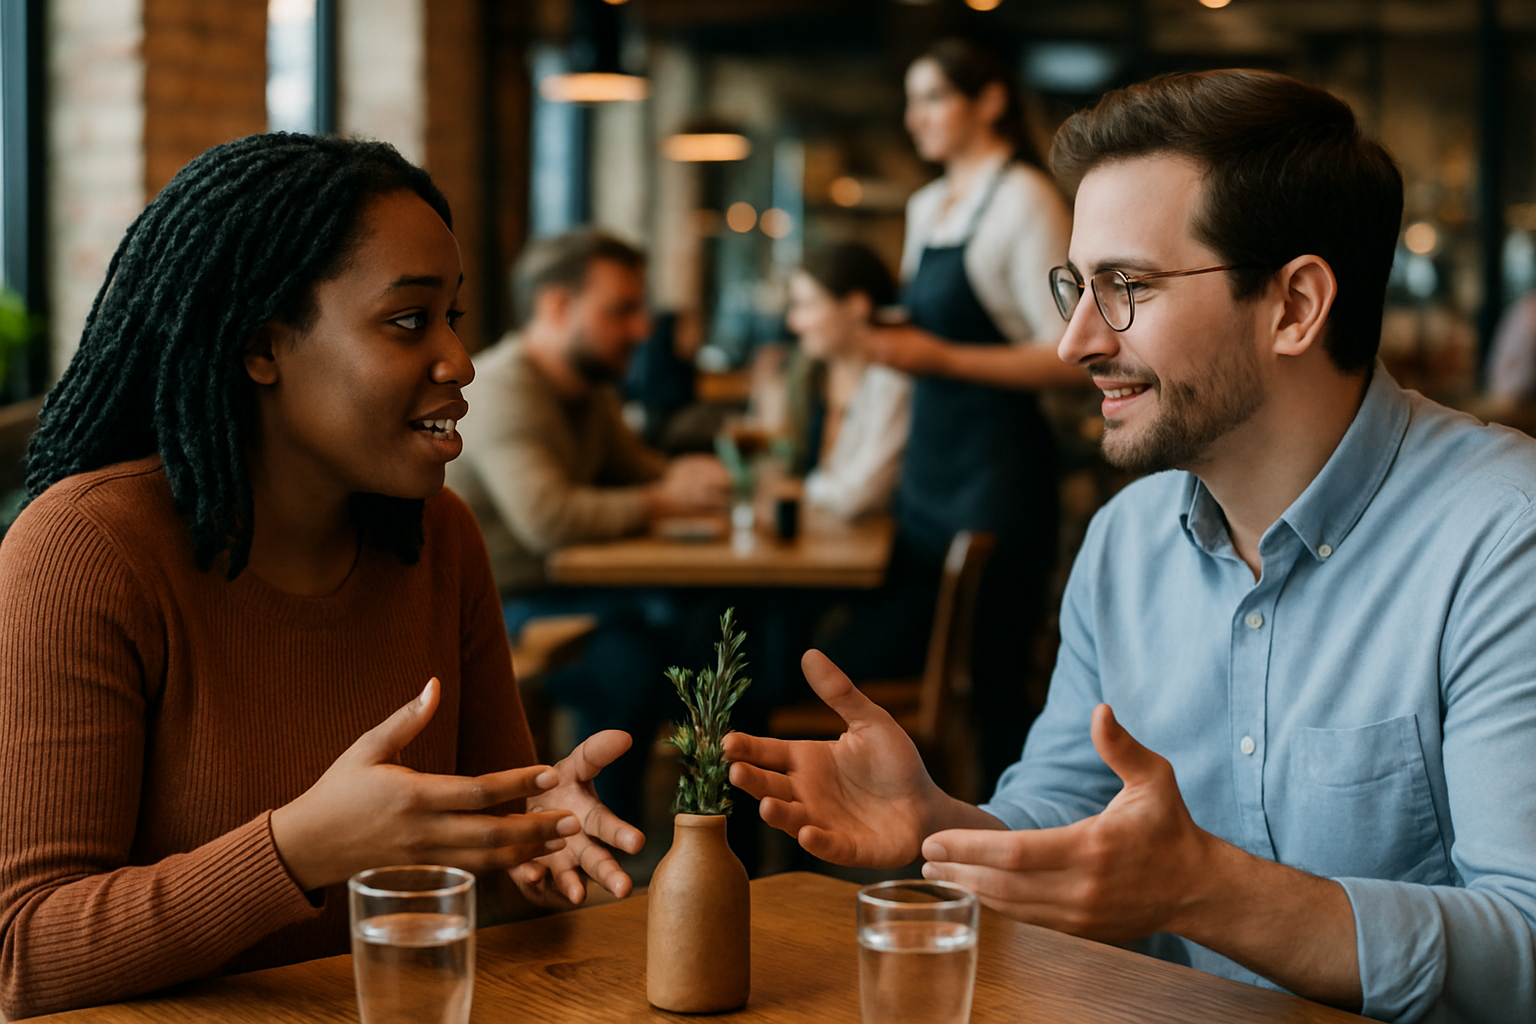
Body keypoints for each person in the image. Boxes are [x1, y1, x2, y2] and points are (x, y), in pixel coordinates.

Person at [725, 69, 1536, 1023]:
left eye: (1127, 287)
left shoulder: (1503, 535)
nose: (1073, 342)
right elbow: (1063, 814)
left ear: (1294, 306)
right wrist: (941, 820)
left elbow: (1525, 944)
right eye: (1077, 287)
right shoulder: (1125, 541)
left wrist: (1204, 893)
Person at [0, 135, 643, 1020]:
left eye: (453, 316)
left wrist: (529, 857)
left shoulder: (438, 539)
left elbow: (475, 901)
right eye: (409, 320)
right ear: (263, 345)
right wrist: (297, 849)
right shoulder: (85, 550)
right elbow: (22, 955)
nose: (460, 361)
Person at [825, 39, 1082, 792]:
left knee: (995, 682)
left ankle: (1011, 839)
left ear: (990, 102)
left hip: (998, 475)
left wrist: (939, 357)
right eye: (911, 101)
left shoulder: (1025, 198)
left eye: (933, 98)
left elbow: (1069, 353)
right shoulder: (924, 205)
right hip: (928, 476)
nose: (914, 119)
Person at [445, 229, 732, 823]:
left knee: (717, 634)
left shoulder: (588, 391)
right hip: (496, 607)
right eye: (621, 310)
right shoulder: (501, 389)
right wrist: (666, 497)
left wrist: (684, 478)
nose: (642, 329)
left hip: (569, 589)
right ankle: (604, 838)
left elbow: (641, 472)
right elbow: (550, 519)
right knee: (631, 662)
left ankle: (721, 835)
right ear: (557, 305)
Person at [786, 242, 911, 520]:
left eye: (808, 305)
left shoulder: (892, 377)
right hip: (825, 535)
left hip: (878, 538)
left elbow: (859, 494)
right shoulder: (807, 375)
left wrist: (801, 490)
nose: (794, 322)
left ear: (857, 305)